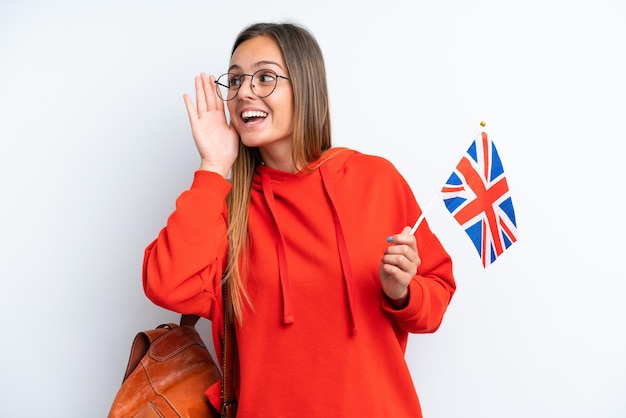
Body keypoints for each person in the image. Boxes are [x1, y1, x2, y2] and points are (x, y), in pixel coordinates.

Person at [143, 21, 456, 418]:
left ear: (304, 87)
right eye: (236, 80)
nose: (244, 92)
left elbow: (437, 297)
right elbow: (166, 286)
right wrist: (213, 165)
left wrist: (402, 292)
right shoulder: (225, 207)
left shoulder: (376, 181)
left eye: (265, 77)